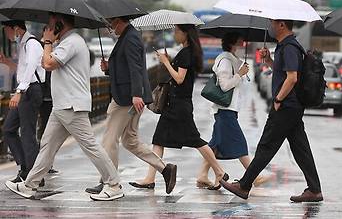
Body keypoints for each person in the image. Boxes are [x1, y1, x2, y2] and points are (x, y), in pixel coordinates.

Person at [5, 13, 123, 201]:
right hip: (62, 106)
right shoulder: (67, 42)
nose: (48, 29)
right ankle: (30, 185)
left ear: (60, 25)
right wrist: (50, 43)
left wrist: (47, 42)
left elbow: (48, 63)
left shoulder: (72, 42)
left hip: (72, 106)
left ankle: (114, 184)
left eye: (51, 25)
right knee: (47, 146)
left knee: (90, 146)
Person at [220, 20, 323, 203]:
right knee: (300, 149)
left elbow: (292, 78)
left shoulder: (290, 46)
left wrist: (278, 99)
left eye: (273, 23)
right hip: (292, 107)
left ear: (282, 25)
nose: (270, 26)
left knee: (266, 146)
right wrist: (268, 60)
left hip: (286, 106)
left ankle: (244, 185)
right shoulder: (286, 46)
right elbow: (284, 72)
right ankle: (314, 190)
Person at [85, 16, 177, 195]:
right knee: (130, 140)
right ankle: (165, 169)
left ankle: (110, 183)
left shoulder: (131, 38)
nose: (110, 28)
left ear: (119, 21)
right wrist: (109, 68)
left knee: (109, 140)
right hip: (131, 97)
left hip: (126, 99)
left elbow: (136, 68)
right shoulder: (129, 37)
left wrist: (136, 94)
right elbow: (127, 67)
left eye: (111, 24)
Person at [131, 24, 227, 190]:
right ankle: (150, 177)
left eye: (177, 31)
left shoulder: (185, 53)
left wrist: (166, 62)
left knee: (195, 140)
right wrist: (170, 61)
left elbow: (180, 79)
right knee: (159, 139)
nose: (174, 34)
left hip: (179, 106)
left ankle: (219, 171)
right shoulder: (188, 52)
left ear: (185, 33)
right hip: (176, 104)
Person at [197, 32, 266, 189]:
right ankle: (253, 176)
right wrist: (239, 75)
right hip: (225, 109)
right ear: (233, 42)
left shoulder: (232, 60)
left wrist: (241, 72)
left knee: (214, 146)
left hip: (228, 109)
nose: (243, 41)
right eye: (241, 39)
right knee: (239, 143)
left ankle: (202, 175)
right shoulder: (226, 60)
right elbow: (224, 86)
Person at [0, 20, 45, 184]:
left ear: (16, 29)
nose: (6, 34)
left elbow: (31, 68)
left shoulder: (32, 43)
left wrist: (19, 92)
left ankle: (34, 176)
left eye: (7, 30)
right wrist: (8, 63)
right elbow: (22, 69)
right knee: (9, 129)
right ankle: (24, 167)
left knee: (27, 134)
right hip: (25, 90)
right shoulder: (23, 44)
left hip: (30, 91)